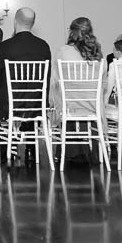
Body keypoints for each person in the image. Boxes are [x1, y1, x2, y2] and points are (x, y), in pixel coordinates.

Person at [0, 8, 52, 160]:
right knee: (30, 103)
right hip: (37, 102)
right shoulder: (44, 46)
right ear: (32, 23)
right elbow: (47, 78)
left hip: (10, 101)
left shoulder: (4, 47)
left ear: (15, 22)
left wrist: (0, 94)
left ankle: (4, 146)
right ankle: (30, 149)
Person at [48, 17, 104, 165]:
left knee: (63, 95)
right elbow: (102, 83)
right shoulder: (97, 53)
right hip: (92, 105)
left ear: (72, 32)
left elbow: (54, 80)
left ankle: (71, 152)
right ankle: (90, 150)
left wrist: (51, 100)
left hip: (70, 105)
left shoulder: (63, 51)